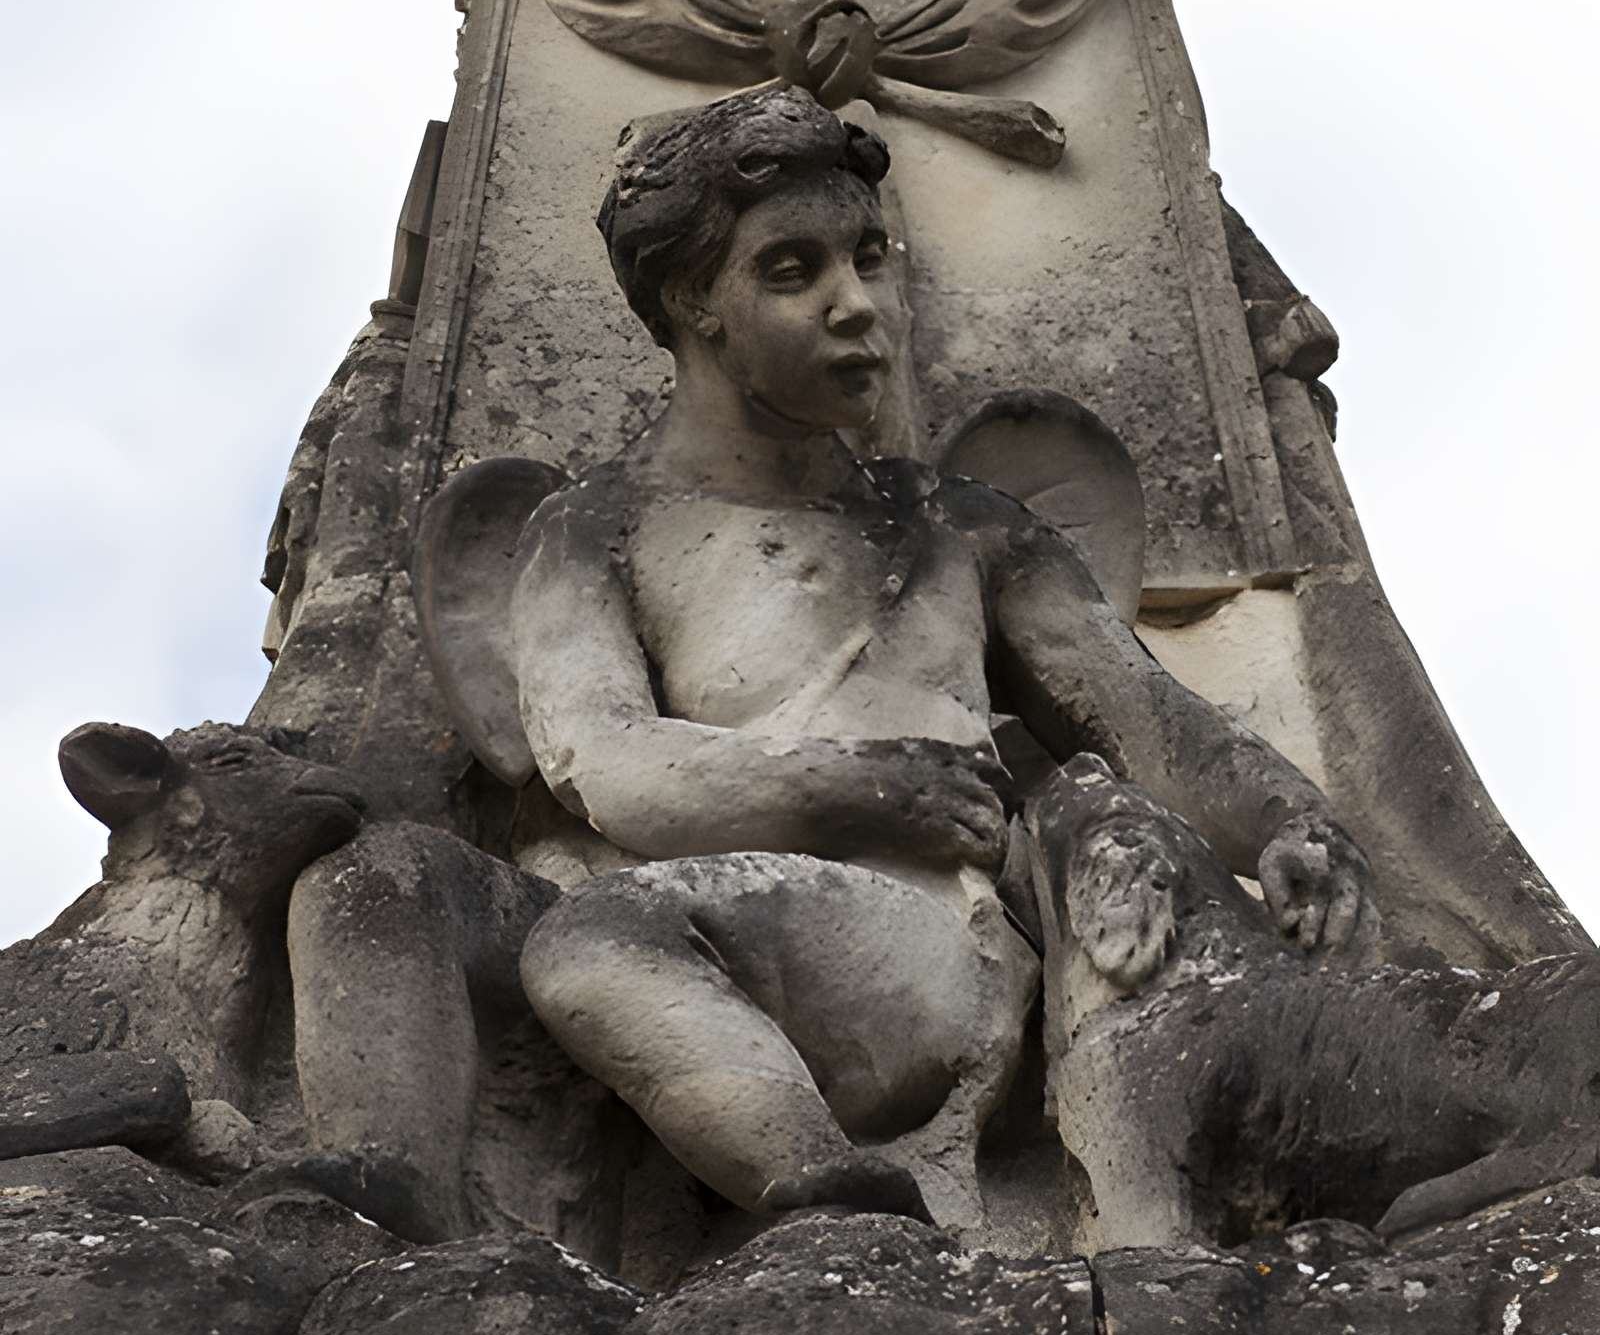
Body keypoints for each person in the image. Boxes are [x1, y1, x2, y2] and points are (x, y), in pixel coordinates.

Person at [509, 87, 1373, 1228]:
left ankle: (839, 1211)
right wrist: (867, 790)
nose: (857, 304)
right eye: (792, 271)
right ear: (689, 301)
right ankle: (834, 1197)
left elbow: (1141, 715)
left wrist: (1284, 818)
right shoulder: (589, 532)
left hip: (941, 951)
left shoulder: (960, 526)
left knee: (601, 939)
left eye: (870, 257)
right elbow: (607, 766)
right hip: (755, 918)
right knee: (596, 938)